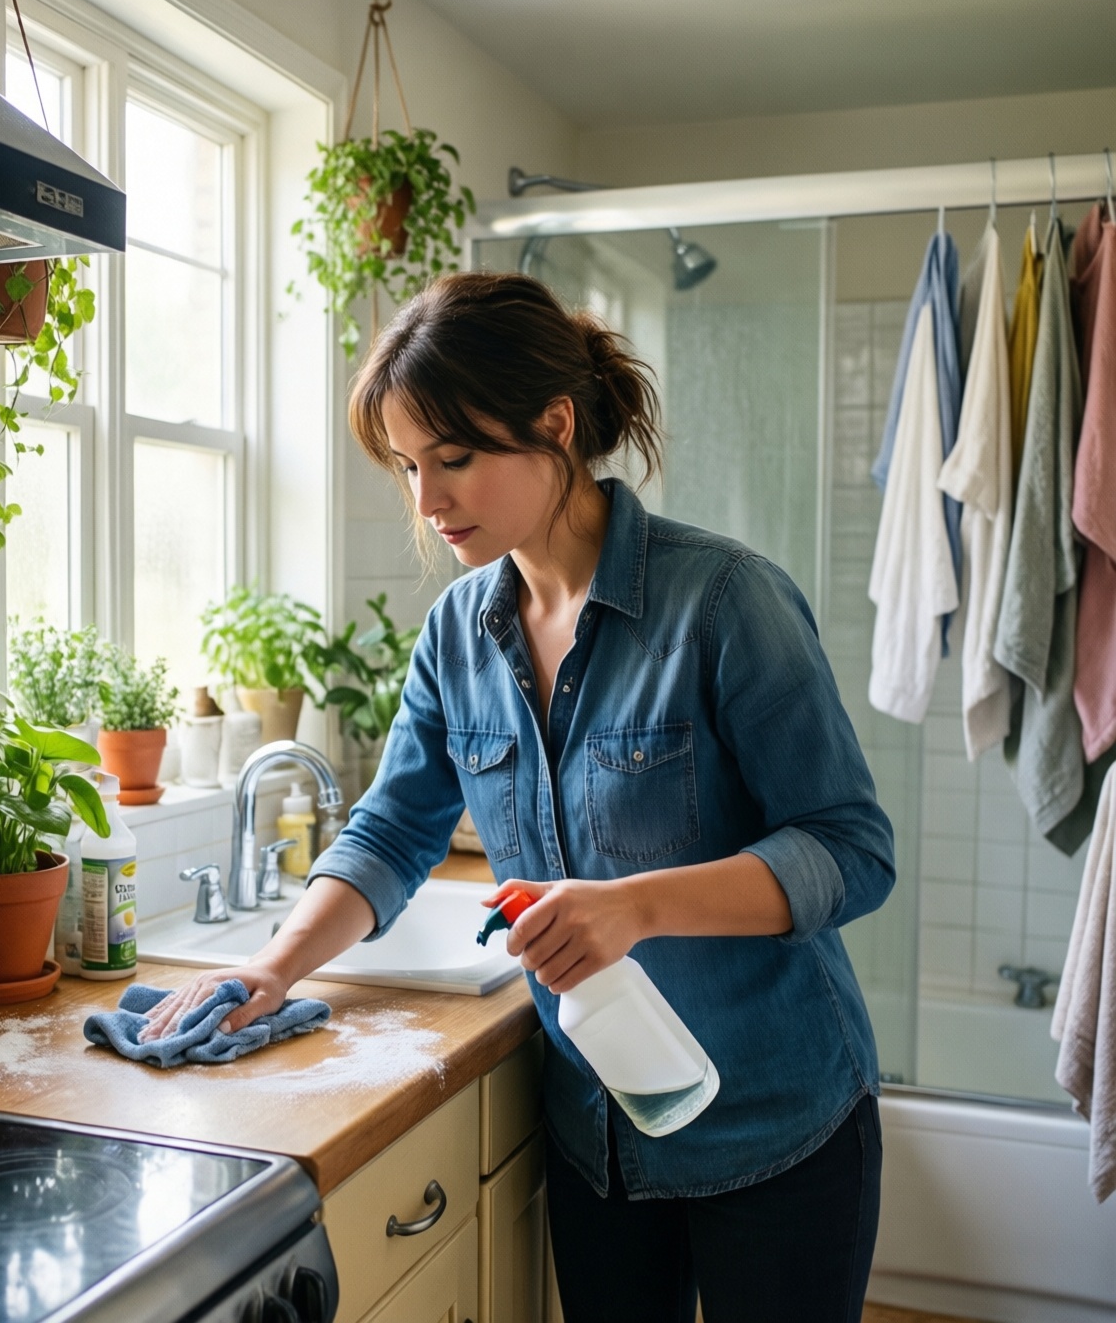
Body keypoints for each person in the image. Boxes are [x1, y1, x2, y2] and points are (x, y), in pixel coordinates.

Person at [142, 271, 896, 1322]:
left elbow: (851, 847)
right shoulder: (457, 634)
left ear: (554, 423)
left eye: (452, 457)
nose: (425, 498)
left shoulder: (723, 601)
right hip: (597, 1131)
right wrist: (269, 966)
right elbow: (393, 828)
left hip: (773, 1123)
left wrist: (632, 905)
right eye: (406, 465)